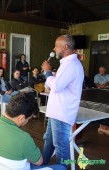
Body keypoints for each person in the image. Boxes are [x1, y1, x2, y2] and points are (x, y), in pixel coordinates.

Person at [0, 93, 64, 170]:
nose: (27, 121)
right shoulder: (24, 139)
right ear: (21, 118)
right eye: (28, 119)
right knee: (61, 168)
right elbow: (39, 162)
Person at [41, 35, 84, 169]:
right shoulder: (66, 63)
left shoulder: (71, 64)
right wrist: (52, 75)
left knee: (61, 148)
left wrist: (47, 72)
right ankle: (42, 165)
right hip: (56, 112)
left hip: (61, 113)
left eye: (56, 45)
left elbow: (57, 86)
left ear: (65, 47)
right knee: (49, 142)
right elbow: (61, 83)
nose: (54, 48)